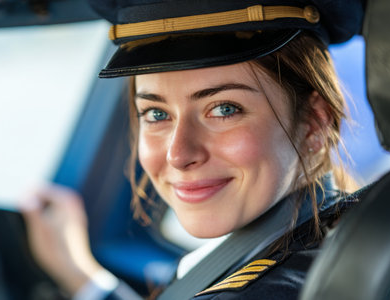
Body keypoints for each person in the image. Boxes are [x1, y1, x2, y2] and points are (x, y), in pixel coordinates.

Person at [20, 0, 365, 299]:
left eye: (224, 109)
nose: (178, 155)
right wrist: (85, 280)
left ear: (315, 122)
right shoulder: (337, 242)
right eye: (157, 114)